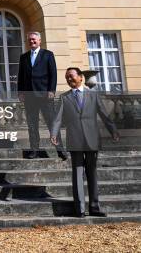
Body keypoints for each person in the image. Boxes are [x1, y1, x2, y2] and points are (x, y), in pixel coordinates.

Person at [50, 67, 120, 218]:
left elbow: (104, 114)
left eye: (71, 76)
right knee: (77, 174)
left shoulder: (93, 95)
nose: (69, 79)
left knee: (92, 174)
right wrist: (54, 134)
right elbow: (57, 119)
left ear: (81, 77)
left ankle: (94, 207)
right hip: (75, 139)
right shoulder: (64, 97)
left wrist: (113, 130)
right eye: (67, 78)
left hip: (92, 139)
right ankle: (79, 209)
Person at [17, 31, 67, 160]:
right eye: (30, 40)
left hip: (45, 95)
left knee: (52, 124)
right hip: (29, 96)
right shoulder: (24, 57)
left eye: (34, 39)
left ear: (40, 41)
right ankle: (35, 150)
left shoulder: (48, 55)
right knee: (32, 125)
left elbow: (53, 74)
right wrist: (20, 92)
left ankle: (60, 149)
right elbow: (21, 76)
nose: (32, 42)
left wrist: (51, 90)